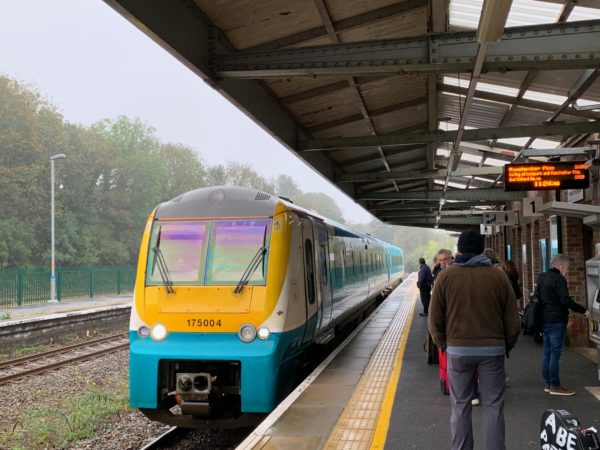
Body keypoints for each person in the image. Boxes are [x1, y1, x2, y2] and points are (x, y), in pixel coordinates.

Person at [429, 228, 520, 450]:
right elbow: (513, 321)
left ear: (458, 250)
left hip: (458, 352)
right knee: (494, 406)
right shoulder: (498, 276)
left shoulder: (446, 276)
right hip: (493, 351)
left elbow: (434, 320)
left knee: (460, 406)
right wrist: (504, 345)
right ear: (482, 250)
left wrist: (444, 345)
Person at [539, 254, 590, 396]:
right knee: (555, 354)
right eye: (567, 267)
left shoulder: (542, 277)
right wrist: (583, 310)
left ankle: (548, 384)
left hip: (545, 320)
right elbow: (565, 300)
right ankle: (555, 386)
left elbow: (539, 298)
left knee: (547, 353)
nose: (567, 270)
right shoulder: (559, 279)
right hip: (556, 320)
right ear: (561, 265)